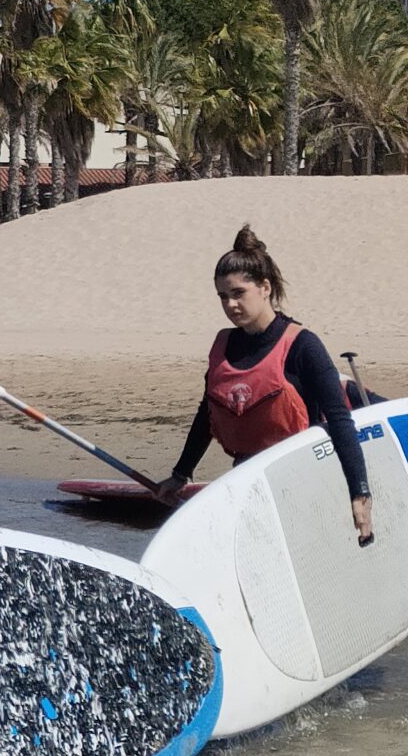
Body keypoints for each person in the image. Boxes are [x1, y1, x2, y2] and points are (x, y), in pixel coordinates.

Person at [154, 225, 372, 542]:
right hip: (250, 483)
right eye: (223, 296)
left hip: (303, 482)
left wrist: (359, 493)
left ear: (265, 287)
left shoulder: (303, 345)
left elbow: (340, 420)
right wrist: (180, 474)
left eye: (238, 293)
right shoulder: (223, 346)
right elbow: (207, 414)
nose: (230, 305)